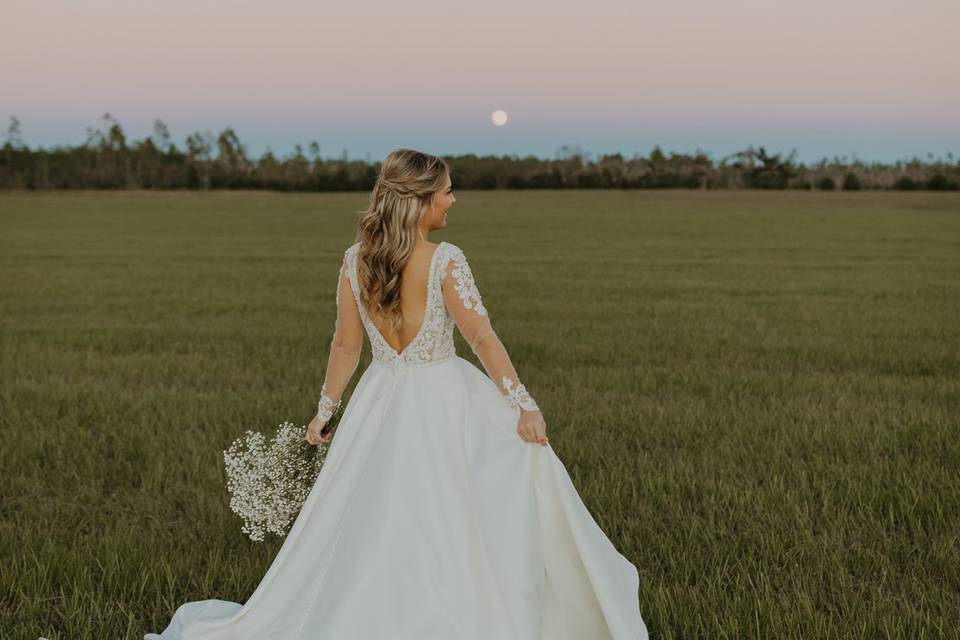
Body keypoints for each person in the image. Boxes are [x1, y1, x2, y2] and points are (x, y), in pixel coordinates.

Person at [145, 149, 649, 639]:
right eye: (448, 192)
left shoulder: (354, 260)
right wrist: (523, 404)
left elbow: (346, 346)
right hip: (443, 397)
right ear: (423, 199)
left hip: (378, 398)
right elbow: (480, 336)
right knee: (463, 504)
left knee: (377, 511)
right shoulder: (444, 260)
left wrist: (325, 412)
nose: (454, 201)